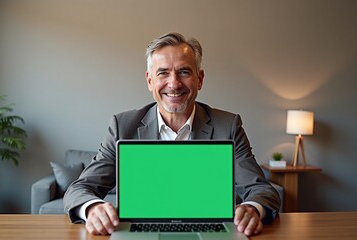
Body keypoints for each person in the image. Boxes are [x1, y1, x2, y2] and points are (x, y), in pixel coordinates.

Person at [64, 32, 280, 237]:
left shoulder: (228, 125)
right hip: (140, 231)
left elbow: (261, 190)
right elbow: (80, 188)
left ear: (199, 79)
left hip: (212, 231)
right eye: (163, 73)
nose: (174, 83)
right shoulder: (123, 126)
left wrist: (252, 209)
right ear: (150, 81)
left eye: (184, 72)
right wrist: (92, 208)